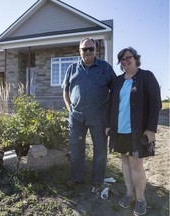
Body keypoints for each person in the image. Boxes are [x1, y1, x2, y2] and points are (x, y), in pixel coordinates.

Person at [106, 47, 161, 215]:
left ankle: (141, 199)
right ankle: (129, 194)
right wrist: (108, 125)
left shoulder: (147, 76)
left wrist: (151, 129)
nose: (125, 61)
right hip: (119, 130)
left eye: (128, 57)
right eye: (122, 59)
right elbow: (111, 104)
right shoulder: (117, 80)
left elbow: (155, 103)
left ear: (136, 58)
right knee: (124, 161)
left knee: (136, 164)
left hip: (137, 131)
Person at [62, 38, 116, 191]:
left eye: (90, 49)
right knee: (76, 148)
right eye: (84, 49)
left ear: (95, 50)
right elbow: (65, 91)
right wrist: (69, 108)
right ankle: (77, 178)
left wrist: (110, 112)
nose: (87, 52)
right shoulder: (72, 69)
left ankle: (98, 181)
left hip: (99, 117)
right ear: (79, 51)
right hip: (76, 117)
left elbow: (115, 90)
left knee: (100, 150)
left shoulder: (105, 68)